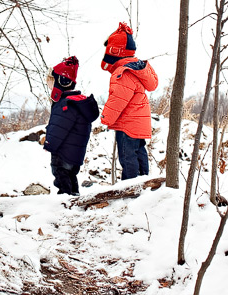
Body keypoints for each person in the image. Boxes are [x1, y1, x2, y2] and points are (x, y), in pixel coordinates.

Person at [100, 22, 159, 180]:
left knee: (127, 157)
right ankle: (144, 181)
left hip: (127, 124)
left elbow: (118, 99)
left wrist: (106, 117)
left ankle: (130, 186)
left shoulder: (123, 73)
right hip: (138, 123)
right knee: (139, 152)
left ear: (115, 52)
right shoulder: (135, 70)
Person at [43, 56, 100, 196]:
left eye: (51, 83)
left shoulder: (65, 104)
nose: (49, 86)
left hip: (63, 151)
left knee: (61, 176)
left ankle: (65, 201)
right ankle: (74, 197)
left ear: (61, 82)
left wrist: (50, 143)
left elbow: (59, 128)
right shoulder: (77, 103)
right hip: (74, 152)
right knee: (70, 176)